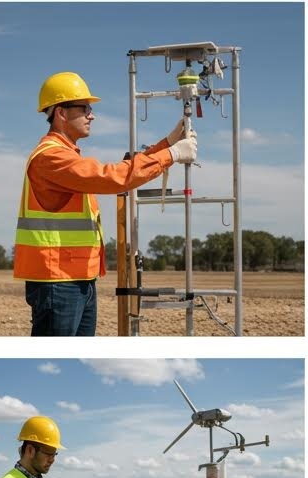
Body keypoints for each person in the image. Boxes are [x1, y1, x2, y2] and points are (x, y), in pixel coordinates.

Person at [14, 71, 198, 337]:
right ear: (60, 113)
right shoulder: (51, 158)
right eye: (84, 108)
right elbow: (113, 177)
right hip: (57, 281)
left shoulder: (66, 156)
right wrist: (171, 155)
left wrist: (167, 144)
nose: (92, 115)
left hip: (78, 279)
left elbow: (121, 170)